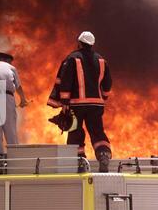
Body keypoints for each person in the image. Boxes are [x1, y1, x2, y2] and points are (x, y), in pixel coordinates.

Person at [48, 32, 113, 172]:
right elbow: (108, 83)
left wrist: (63, 101)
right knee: (97, 131)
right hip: (96, 105)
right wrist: (104, 96)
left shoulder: (72, 58)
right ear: (92, 44)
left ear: (79, 43)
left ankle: (80, 161)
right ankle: (103, 155)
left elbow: (64, 81)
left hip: (76, 105)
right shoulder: (102, 60)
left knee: (75, 132)